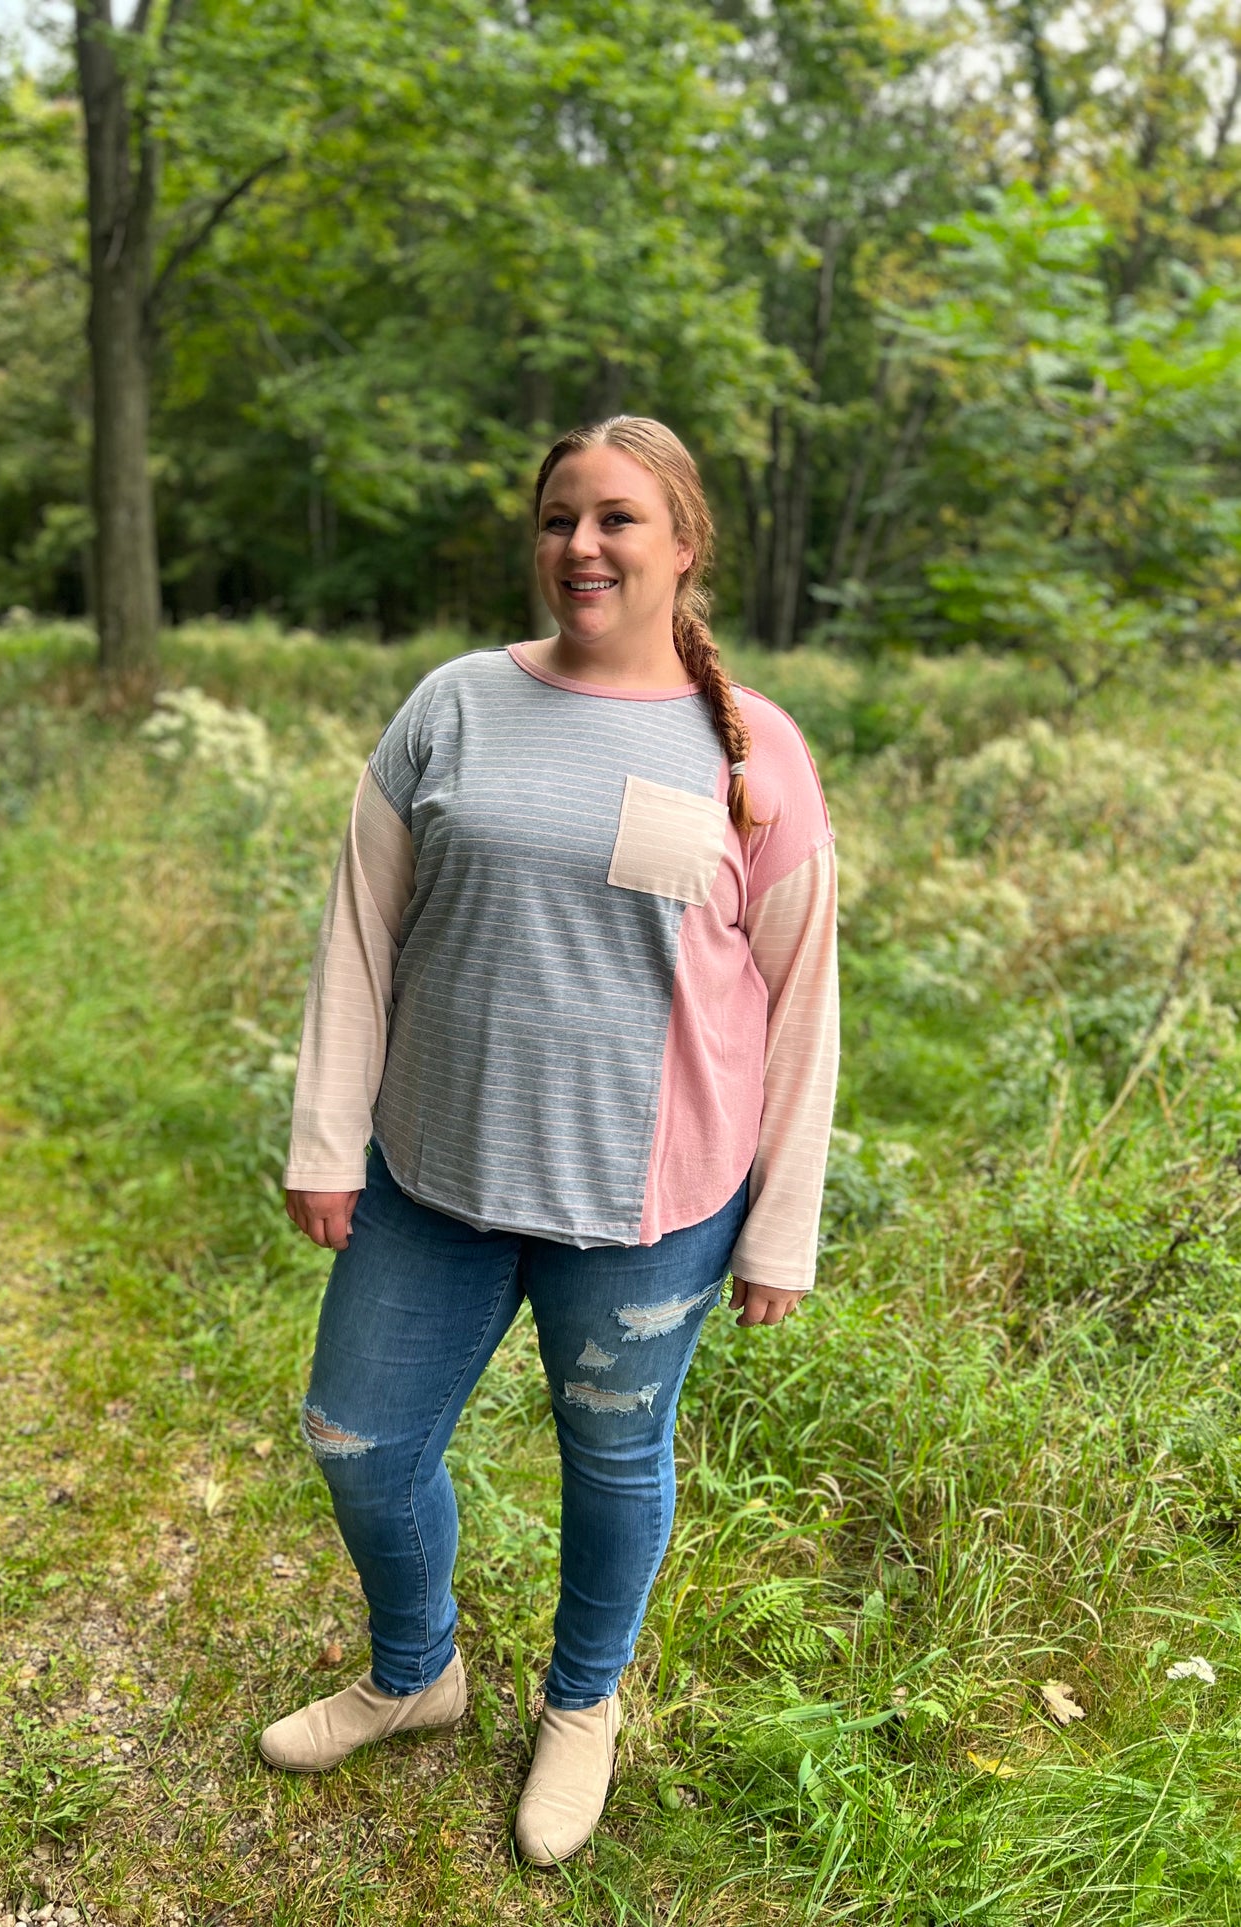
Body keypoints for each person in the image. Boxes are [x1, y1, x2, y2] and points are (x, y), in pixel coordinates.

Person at [260, 415, 839, 1865]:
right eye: (557, 518)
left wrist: (780, 1229)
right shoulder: (452, 706)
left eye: (618, 519)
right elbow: (359, 935)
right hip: (433, 1181)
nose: (580, 545)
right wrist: (328, 1139)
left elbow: (797, 1004)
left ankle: (580, 1706)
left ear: (682, 545)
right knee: (356, 1440)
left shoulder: (750, 750)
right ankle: (417, 1676)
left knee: (613, 1460)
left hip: (650, 1206)